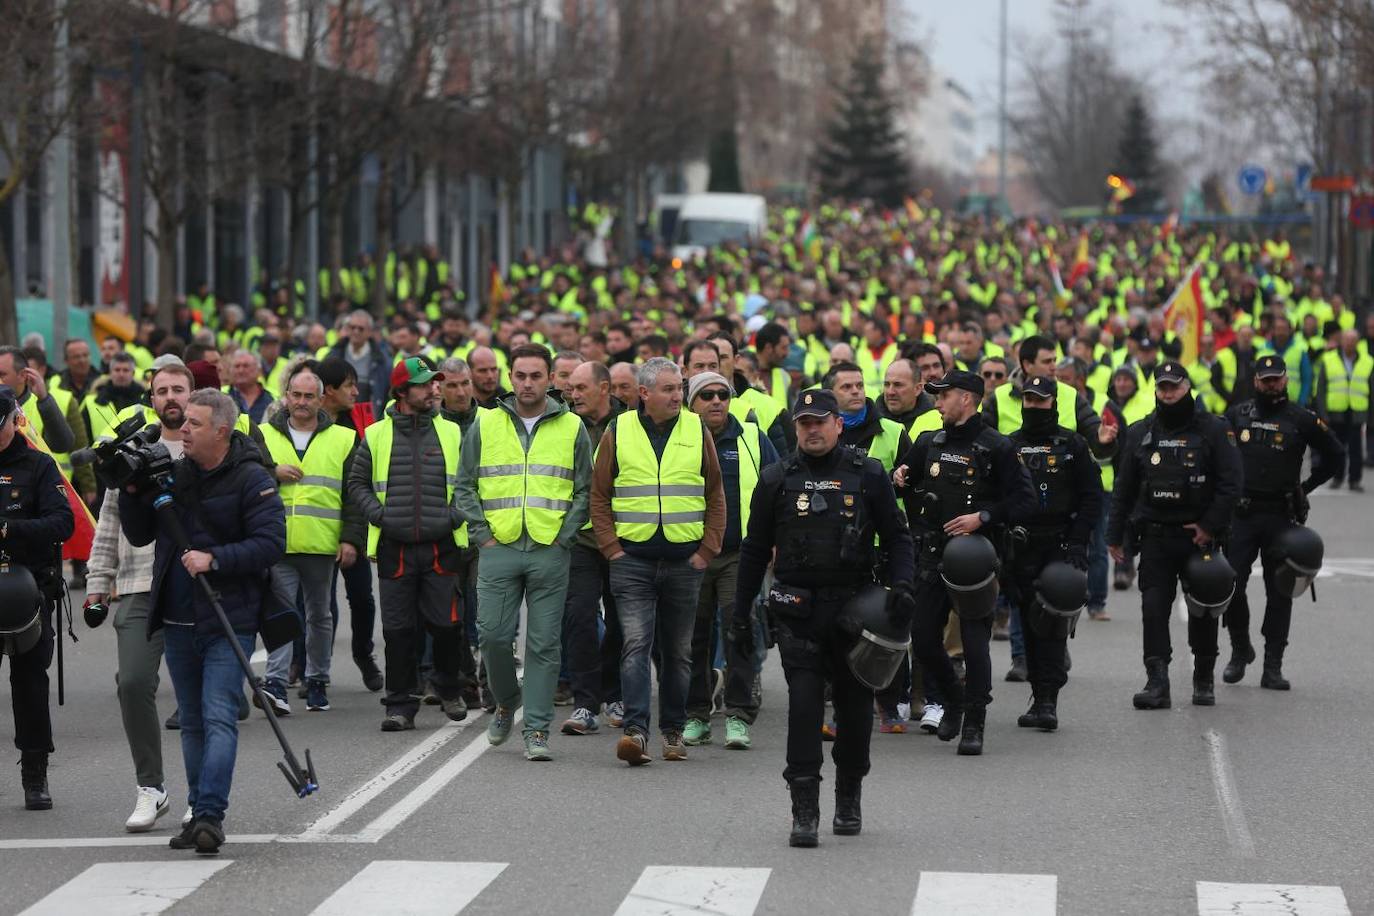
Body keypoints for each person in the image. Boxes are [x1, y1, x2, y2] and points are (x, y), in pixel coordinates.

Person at [732, 389, 914, 846]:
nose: (812, 430)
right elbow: (754, 550)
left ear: (838, 424)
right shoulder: (777, 478)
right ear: (796, 427)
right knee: (805, 708)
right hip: (799, 613)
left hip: (856, 614)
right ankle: (804, 809)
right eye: (804, 422)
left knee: (854, 714)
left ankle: (849, 794)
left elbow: (897, 538)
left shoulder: (867, 474)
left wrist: (902, 588)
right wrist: (738, 612)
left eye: (820, 421)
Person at [119, 388, 285, 854]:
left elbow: (271, 543)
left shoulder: (253, 478)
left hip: (227, 616)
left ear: (221, 431)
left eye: (193, 423)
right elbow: (139, 533)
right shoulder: (175, 472)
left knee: (217, 718)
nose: (183, 430)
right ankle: (197, 814)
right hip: (176, 617)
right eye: (183, 421)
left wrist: (215, 559)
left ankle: (210, 813)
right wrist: (133, 490)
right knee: (191, 722)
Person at [456, 345, 592, 761]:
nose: (528, 383)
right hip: (499, 546)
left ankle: (536, 729)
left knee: (543, 643)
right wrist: (483, 535)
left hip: (550, 548)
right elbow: (465, 484)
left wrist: (565, 535)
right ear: (510, 378)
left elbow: (585, 490)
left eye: (536, 375)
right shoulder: (486, 422)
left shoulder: (572, 427)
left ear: (551, 378)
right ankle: (506, 700)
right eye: (520, 375)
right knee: (493, 636)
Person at [590, 358, 726, 766]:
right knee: (634, 646)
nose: (677, 396)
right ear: (644, 393)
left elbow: (715, 492)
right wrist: (611, 547)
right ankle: (636, 732)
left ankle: (673, 731)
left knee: (678, 652)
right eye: (668, 389)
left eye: (679, 388)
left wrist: (707, 549)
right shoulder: (618, 431)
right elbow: (599, 495)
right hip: (632, 560)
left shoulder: (695, 428)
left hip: (685, 561)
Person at [893, 370, 1035, 755]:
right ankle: (954, 700)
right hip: (933, 554)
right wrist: (901, 475)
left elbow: (1025, 502)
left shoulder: (997, 447)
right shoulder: (929, 441)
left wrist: (983, 518)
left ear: (968, 399)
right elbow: (905, 477)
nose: (937, 403)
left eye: (944, 396)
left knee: (974, 644)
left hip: (975, 559)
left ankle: (974, 722)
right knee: (923, 639)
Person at [86, 365, 192, 830]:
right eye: (162, 390)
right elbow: (109, 522)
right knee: (131, 683)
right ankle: (151, 787)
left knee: (198, 694)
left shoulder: (205, 447)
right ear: (152, 398)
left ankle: (203, 791)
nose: (171, 397)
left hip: (192, 583)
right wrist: (97, 581)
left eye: (179, 389)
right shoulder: (133, 452)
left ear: (194, 395)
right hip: (137, 584)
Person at [1107, 362, 1243, 710]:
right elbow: (1124, 488)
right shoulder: (1141, 432)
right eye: (1162, 387)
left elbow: (1231, 484)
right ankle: (1157, 681)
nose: (1168, 393)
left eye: (1174, 386)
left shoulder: (1213, 429)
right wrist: (1115, 534)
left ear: (1187, 387)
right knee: (1153, 609)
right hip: (1155, 536)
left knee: (1204, 608)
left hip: (1199, 538)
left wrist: (1209, 526)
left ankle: (1203, 678)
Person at [348, 356, 471, 731]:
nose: (435, 389)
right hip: (395, 548)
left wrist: (451, 518)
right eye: (425, 384)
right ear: (402, 392)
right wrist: (382, 517)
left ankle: (449, 688)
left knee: (447, 626)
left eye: (436, 383)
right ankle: (400, 705)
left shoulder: (452, 431)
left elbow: (469, 483)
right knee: (398, 631)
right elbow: (357, 484)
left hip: (441, 547)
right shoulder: (376, 434)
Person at [1223, 355, 1344, 690]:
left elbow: (1335, 454)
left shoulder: (1301, 418)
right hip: (1243, 515)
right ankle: (1239, 649)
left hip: (1281, 515)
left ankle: (1273, 665)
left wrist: (1306, 488)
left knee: (1281, 591)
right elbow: (1217, 452)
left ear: (1285, 380)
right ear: (1256, 382)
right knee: (1229, 584)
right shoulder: (1238, 414)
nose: (1272, 385)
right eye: (1266, 380)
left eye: (1277, 379)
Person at [259, 364, 364, 714]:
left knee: (320, 616)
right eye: (296, 395)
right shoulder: (262, 435)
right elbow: (244, 474)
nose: (302, 402)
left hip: (322, 544)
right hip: (278, 542)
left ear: (321, 399)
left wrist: (350, 540)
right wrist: (272, 472)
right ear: (286, 397)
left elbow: (354, 495)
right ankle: (275, 683)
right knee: (281, 613)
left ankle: (317, 680)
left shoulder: (344, 438)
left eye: (309, 396)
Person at [682, 371, 778, 750]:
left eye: (723, 394)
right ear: (691, 404)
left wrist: (775, 540)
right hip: (691, 554)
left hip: (740, 555)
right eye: (706, 395)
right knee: (694, 637)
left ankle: (738, 715)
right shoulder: (679, 440)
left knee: (740, 629)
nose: (717, 401)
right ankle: (696, 715)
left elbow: (777, 487)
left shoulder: (752, 438)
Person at [1006, 376, 1103, 730]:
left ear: (1053, 403)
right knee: (1029, 622)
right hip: (1022, 546)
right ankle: (1037, 692)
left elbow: (1093, 497)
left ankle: (1049, 699)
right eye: (1029, 400)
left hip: (1060, 545)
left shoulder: (1072, 445)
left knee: (1051, 623)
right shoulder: (1010, 445)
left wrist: (1078, 541)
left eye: (1040, 400)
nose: (1034, 406)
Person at [0, 385, 75, 810]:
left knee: (29, 685)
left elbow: (62, 522)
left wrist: (10, 530)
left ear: (15, 421)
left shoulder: (39, 465)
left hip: (28, 588)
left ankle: (35, 774)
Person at [559, 360, 628, 734]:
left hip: (622, 538)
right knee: (579, 616)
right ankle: (585, 703)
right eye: (571, 388)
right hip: (581, 539)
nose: (573, 395)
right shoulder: (567, 425)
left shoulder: (630, 424)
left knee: (621, 620)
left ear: (605, 388)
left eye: (581, 388)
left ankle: (615, 694)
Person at [314, 357, 383, 692]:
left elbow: (360, 483)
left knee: (362, 597)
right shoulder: (307, 423)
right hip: (317, 528)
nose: (356, 391)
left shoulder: (359, 422)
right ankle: (313, 665)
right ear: (329, 391)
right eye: (349, 386)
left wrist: (352, 537)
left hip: (353, 524)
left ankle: (364, 656)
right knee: (319, 602)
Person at [1313, 328, 1372, 491]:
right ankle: (1337, 477)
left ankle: (1354, 480)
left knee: (1356, 449)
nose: (1349, 343)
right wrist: (1323, 413)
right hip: (1335, 411)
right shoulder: (1329, 359)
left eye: (1353, 340)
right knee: (1337, 448)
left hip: (1356, 411)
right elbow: (1321, 389)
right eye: (1347, 340)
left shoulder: (1367, 361)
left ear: (1357, 343)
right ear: (1341, 341)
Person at [326, 310, 393, 415]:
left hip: (369, 418)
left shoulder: (382, 361)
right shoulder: (334, 355)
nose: (356, 331)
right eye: (352, 327)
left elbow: (387, 395)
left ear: (370, 332)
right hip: (339, 416)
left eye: (361, 329)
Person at [227, 349, 273, 425]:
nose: (241, 370)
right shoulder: (221, 395)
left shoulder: (273, 397)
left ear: (258, 370)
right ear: (230, 370)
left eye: (246, 366)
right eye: (237, 366)